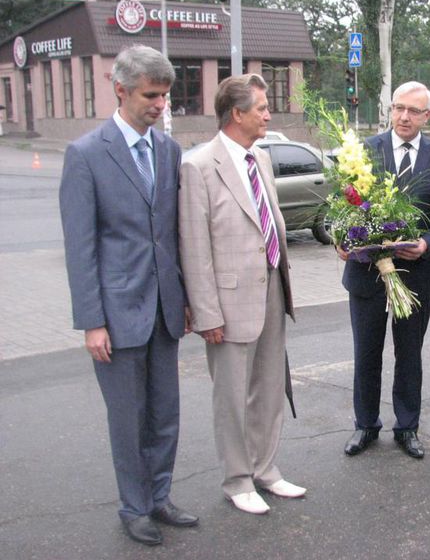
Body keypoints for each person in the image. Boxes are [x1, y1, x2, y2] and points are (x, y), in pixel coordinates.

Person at [59, 45, 198, 546]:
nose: (160, 106)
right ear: (120, 90)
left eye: (165, 96)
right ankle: (134, 506)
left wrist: (183, 298)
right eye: (151, 96)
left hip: (163, 308)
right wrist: (92, 321)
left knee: (165, 413)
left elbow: (174, 233)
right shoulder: (86, 154)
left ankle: (160, 497)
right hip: (116, 314)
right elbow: (81, 248)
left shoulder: (168, 151)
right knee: (128, 418)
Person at [178, 74, 305, 515]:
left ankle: (265, 469)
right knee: (231, 396)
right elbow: (195, 248)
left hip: (271, 287)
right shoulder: (198, 166)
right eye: (261, 108)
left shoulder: (260, 160)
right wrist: (206, 312)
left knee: (269, 388)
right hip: (227, 304)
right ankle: (237, 479)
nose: (268, 114)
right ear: (237, 113)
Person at [340, 81, 430, 459]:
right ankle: (365, 425)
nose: (404, 116)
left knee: (410, 354)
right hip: (366, 273)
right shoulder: (362, 153)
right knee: (366, 353)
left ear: (427, 116)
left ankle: (407, 427)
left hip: (414, 272)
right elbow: (342, 208)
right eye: (398, 108)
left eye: (414, 111)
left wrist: (428, 244)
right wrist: (342, 240)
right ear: (389, 109)